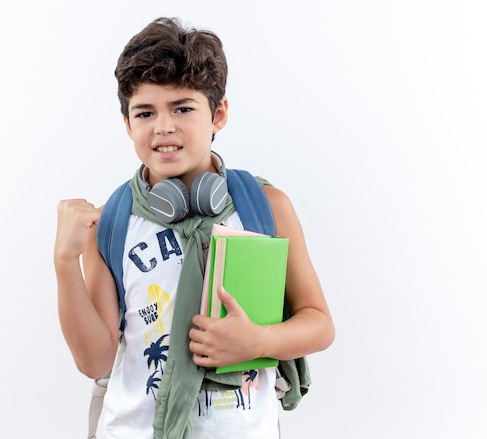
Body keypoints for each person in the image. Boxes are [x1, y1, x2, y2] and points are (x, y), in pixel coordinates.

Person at [54, 17, 334, 439]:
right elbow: (95, 362)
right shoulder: (112, 221)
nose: (163, 126)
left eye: (183, 108)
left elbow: (319, 323)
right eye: (145, 112)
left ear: (218, 113)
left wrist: (257, 341)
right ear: (128, 125)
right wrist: (64, 261)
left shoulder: (265, 207)